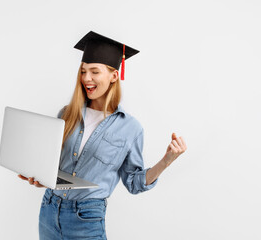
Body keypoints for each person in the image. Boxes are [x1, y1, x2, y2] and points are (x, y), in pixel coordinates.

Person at [18, 31, 187, 240]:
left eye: (94, 72)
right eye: (83, 71)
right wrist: (42, 179)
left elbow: (134, 183)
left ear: (114, 76)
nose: (86, 78)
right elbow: (54, 166)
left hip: (86, 218)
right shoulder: (67, 114)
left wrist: (166, 161)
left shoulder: (130, 128)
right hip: (49, 210)